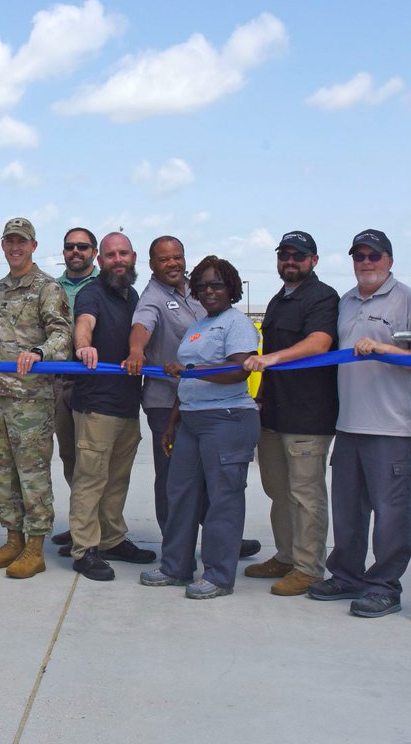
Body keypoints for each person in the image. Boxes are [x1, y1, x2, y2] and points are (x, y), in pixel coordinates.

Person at [307, 229, 411, 618]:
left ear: (389, 260)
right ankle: (346, 575)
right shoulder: (345, 302)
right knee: (347, 511)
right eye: (358, 256)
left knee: (391, 515)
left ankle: (383, 586)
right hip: (349, 427)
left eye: (373, 256)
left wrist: (384, 349)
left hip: (392, 428)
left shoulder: (409, 300)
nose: (365, 262)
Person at [140, 255, 260, 599]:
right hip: (191, 419)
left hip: (227, 419)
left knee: (223, 499)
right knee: (180, 494)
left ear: (231, 288)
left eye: (216, 284)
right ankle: (175, 566)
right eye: (202, 285)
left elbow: (239, 370)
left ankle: (219, 576)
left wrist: (190, 371)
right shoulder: (196, 328)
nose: (208, 291)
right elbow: (187, 381)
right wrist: (173, 422)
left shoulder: (236, 324)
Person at [242, 231, 339, 596]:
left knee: (305, 494)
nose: (290, 261)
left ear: (314, 260)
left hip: (308, 416)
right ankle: (285, 557)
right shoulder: (279, 300)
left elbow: (320, 342)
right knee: (278, 491)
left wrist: (270, 359)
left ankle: (309, 568)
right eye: (284, 254)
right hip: (274, 414)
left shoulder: (323, 296)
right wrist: (261, 398)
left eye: (298, 255)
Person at [0, 218, 72, 579]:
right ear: (3, 245)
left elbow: (62, 335)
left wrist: (39, 351)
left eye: (22, 241)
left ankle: (35, 547)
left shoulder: (47, 287)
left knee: (32, 475)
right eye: (9, 241)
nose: (15, 247)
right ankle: (12, 538)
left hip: (31, 400)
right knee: (1, 475)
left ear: (33, 246)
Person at [65, 232, 155, 581]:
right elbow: (84, 323)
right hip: (96, 407)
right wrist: (83, 347)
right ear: (99, 261)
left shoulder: (134, 296)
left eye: (123, 254)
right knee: (90, 480)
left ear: (133, 258)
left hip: (128, 405)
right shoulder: (92, 293)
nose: (117, 260)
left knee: (117, 481)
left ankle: (112, 539)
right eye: (110, 255)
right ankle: (84, 549)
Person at [123, 235, 204, 537]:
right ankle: (174, 542)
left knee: (207, 472)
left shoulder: (199, 290)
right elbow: (142, 325)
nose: (172, 263)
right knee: (172, 475)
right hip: (165, 401)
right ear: (151, 264)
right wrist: (136, 351)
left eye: (177, 257)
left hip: (203, 397)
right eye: (164, 259)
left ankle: (219, 537)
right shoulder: (152, 296)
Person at [50, 227, 99, 548]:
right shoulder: (52, 288)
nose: (75, 251)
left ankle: (96, 530)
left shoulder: (106, 285)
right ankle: (81, 524)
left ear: (94, 252)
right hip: (56, 382)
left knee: (92, 460)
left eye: (82, 246)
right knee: (69, 457)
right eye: (70, 247)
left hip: (93, 382)